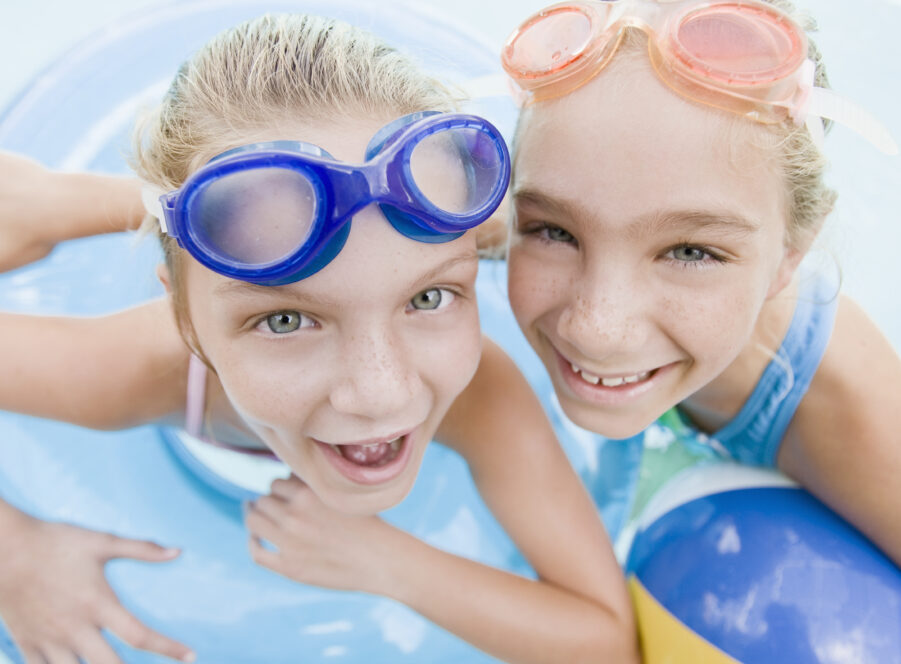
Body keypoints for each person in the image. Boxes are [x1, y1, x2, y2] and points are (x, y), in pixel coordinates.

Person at [0, 13, 637, 664]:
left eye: (428, 296)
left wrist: (394, 565)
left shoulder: (481, 393)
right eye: (285, 320)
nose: (379, 394)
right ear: (185, 319)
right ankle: (87, 200)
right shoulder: (138, 369)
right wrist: (15, 554)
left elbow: (603, 645)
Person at [499, 0, 901, 563]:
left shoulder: (852, 420)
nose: (597, 331)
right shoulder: (508, 217)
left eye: (690, 252)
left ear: (791, 255)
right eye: (554, 232)